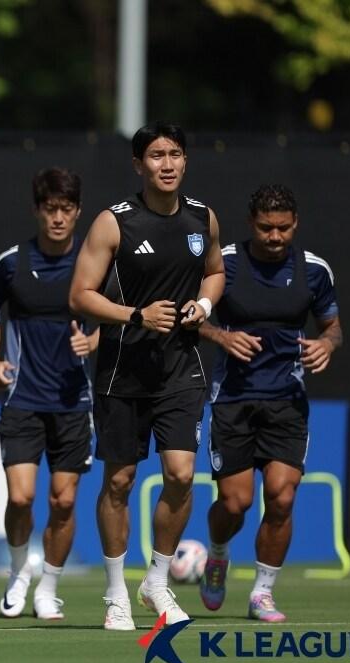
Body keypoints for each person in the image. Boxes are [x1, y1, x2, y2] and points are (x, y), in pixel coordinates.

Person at [69, 122, 225, 630]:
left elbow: (216, 271)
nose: (167, 163)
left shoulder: (203, 218)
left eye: (175, 154)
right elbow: (80, 296)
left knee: (181, 475)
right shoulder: (114, 223)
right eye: (156, 155)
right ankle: (115, 592)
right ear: (139, 164)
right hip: (122, 369)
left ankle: (155, 581)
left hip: (182, 367)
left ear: (185, 161)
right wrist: (136, 315)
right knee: (119, 480)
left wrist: (204, 303)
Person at [198, 184, 341, 622]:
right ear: (250, 225)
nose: (275, 236)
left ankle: (262, 593)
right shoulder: (225, 265)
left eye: (283, 228)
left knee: (281, 498)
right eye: (266, 228)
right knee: (236, 504)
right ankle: (218, 553)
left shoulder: (314, 270)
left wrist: (328, 345)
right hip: (234, 400)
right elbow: (190, 318)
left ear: (295, 224)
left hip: (286, 401)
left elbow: (334, 328)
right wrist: (221, 335)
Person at [0, 168, 97, 620]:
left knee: (65, 501)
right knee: (19, 498)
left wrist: (93, 342)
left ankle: (48, 587)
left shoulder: (95, 264)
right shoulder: (10, 263)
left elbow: (118, 321)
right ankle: (19, 570)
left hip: (74, 403)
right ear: (37, 210)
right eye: (50, 209)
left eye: (66, 210)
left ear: (77, 212)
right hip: (22, 400)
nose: (58, 218)